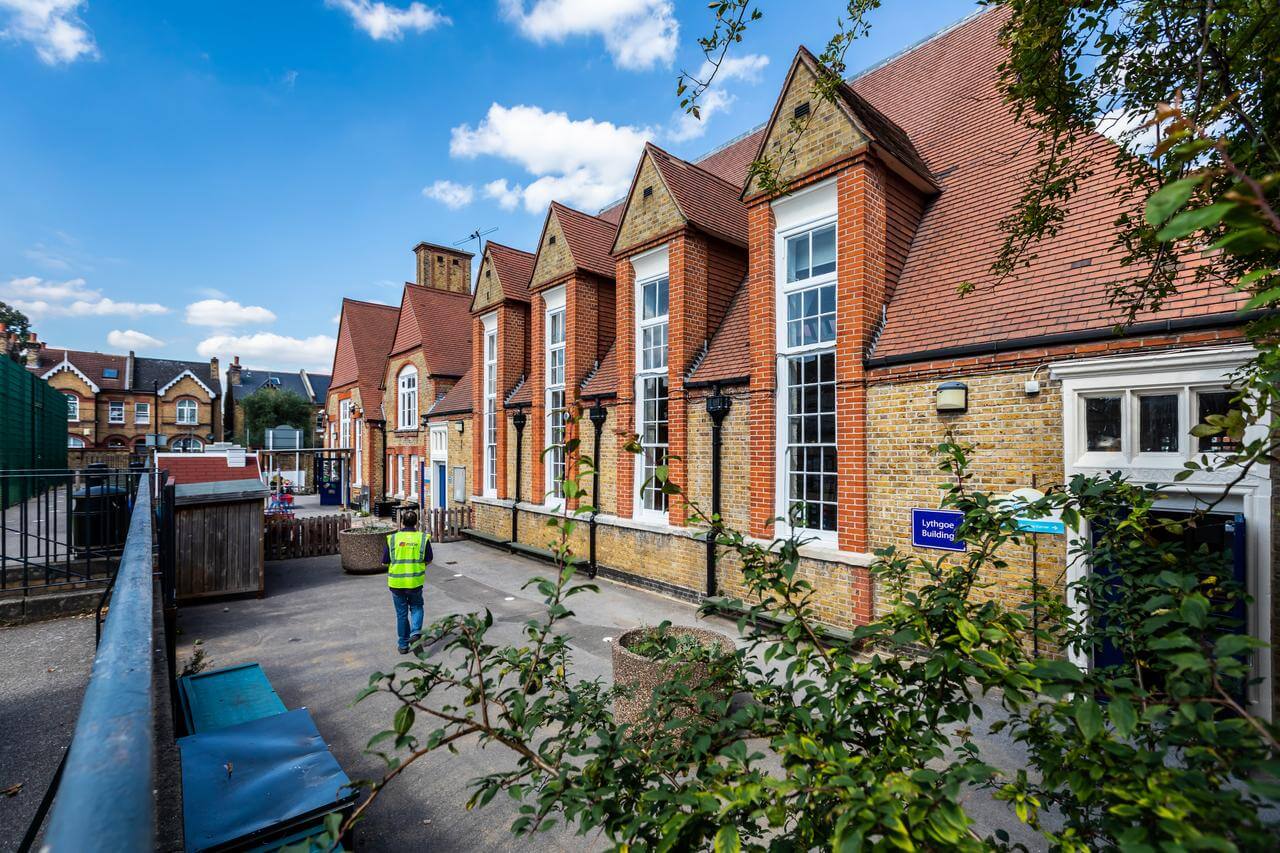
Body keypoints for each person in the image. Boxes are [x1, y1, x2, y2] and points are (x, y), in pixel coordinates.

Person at [382, 509, 432, 654]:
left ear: (402, 522)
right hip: (415, 582)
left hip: (396, 583)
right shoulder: (422, 538)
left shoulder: (392, 539)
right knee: (417, 607)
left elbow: (385, 561)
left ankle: (403, 645)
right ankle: (415, 633)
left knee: (401, 614)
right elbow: (428, 559)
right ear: (416, 523)